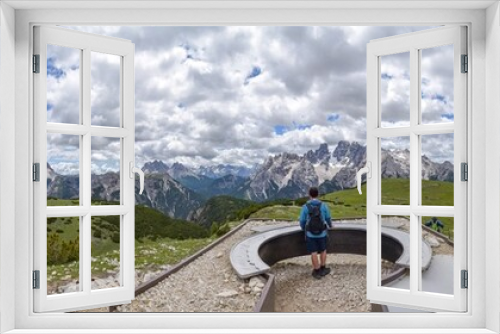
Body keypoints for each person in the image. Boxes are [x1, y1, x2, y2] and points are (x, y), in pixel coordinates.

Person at [299, 186, 333, 279]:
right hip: (322, 232)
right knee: (323, 250)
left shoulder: (305, 206)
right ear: (318, 194)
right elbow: (328, 218)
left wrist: (303, 228)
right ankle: (323, 268)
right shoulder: (323, 205)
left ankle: (317, 271)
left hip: (310, 234)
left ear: (309, 195)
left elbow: (302, 220)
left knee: (313, 252)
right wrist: (330, 226)